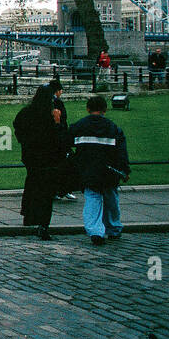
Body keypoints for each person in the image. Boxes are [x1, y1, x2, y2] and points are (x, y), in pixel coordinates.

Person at [69, 96, 130, 245]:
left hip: (88, 169)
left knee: (92, 199)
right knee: (111, 200)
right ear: (105, 110)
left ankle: (95, 231)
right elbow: (121, 152)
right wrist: (125, 170)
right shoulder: (113, 128)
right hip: (109, 170)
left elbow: (65, 142)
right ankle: (114, 228)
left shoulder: (79, 126)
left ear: (88, 109)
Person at [13, 85, 68, 241]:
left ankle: (29, 216)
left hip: (31, 155)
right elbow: (59, 137)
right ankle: (43, 224)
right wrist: (58, 123)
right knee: (46, 192)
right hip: (48, 157)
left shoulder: (26, 112)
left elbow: (17, 125)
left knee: (32, 184)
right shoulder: (50, 115)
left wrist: (24, 141)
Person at [49, 79, 75, 201]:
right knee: (65, 162)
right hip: (60, 136)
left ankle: (55, 190)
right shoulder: (57, 102)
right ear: (58, 91)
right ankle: (65, 189)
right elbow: (63, 120)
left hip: (52, 138)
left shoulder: (46, 102)